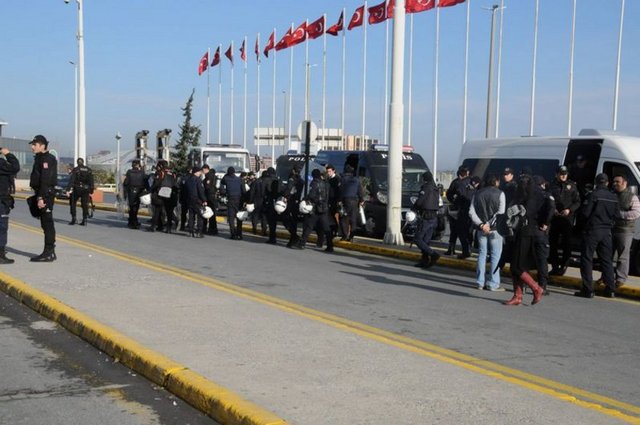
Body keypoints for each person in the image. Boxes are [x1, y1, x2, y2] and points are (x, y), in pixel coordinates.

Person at [502, 175, 545, 306]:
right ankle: (518, 295)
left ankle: (536, 288)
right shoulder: (524, 196)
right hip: (518, 233)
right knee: (514, 267)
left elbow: (525, 214)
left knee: (517, 267)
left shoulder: (531, 198)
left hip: (525, 233)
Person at [576, 173, 620, 299]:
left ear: (596, 182)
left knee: (587, 259)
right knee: (607, 260)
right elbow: (617, 215)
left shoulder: (593, 195)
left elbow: (585, 213)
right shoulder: (613, 196)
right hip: (607, 232)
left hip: (593, 230)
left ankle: (588, 289)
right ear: (607, 183)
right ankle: (610, 289)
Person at [469, 173, 505, 291]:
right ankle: (493, 283)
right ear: (496, 182)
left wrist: (481, 225)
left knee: (482, 254)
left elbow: (471, 212)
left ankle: (480, 282)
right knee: (495, 256)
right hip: (495, 229)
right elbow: (500, 212)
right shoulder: (500, 194)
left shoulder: (477, 194)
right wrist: (488, 225)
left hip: (480, 229)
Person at [607, 175, 640, 288]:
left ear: (624, 183)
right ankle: (606, 277)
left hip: (625, 231)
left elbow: (636, 213)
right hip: (611, 229)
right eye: (614, 181)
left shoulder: (632, 197)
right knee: (607, 255)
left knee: (623, 256)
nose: (615, 183)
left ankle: (620, 279)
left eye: (618, 182)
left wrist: (620, 214)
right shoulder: (611, 195)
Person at [29, 135, 58, 262]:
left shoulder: (47, 159)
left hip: (45, 194)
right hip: (41, 193)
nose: (32, 147)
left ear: (42, 145)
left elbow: (45, 179)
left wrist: (41, 197)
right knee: (44, 223)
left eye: (34, 144)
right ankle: (49, 251)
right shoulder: (40, 158)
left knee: (47, 223)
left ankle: (49, 252)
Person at [548, 165, 581, 276]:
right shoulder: (552, 185)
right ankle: (554, 266)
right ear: (557, 174)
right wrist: (553, 210)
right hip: (555, 219)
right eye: (561, 173)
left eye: (565, 174)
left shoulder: (572, 186)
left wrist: (569, 210)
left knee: (566, 244)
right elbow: (547, 200)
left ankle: (564, 265)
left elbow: (577, 202)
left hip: (567, 219)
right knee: (553, 243)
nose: (563, 176)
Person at [295, 169, 334, 253]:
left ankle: (302, 243)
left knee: (308, 226)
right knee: (326, 228)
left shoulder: (314, 183)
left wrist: (306, 198)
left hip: (315, 208)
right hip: (324, 208)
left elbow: (312, 195)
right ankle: (330, 246)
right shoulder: (326, 184)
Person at [532, 175, 555, 295]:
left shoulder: (528, 194)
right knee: (542, 259)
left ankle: (525, 284)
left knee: (526, 257)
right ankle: (542, 285)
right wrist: (546, 223)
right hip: (540, 230)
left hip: (529, 230)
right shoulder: (546, 195)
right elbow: (551, 209)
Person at [412, 171, 441, 269]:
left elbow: (419, 202)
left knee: (418, 239)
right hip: (434, 217)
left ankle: (433, 254)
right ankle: (424, 260)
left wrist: (413, 208)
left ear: (424, 179)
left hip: (426, 217)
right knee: (426, 240)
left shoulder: (426, 187)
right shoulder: (436, 188)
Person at [0, 147, 20, 264]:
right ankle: (1, 254)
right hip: (1, 199)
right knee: (2, 227)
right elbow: (15, 167)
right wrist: (8, 154)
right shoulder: (1, 164)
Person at [445, 166, 469, 256]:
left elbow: (449, 194)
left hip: (457, 211)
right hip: (467, 211)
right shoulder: (470, 182)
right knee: (465, 232)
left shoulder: (456, 183)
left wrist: (453, 200)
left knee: (454, 231)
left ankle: (451, 249)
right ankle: (466, 250)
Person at [148, 160, 178, 233]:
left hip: (161, 194)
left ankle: (153, 226)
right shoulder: (173, 173)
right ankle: (169, 228)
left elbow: (156, 183)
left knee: (157, 210)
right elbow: (175, 184)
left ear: (161, 166)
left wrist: (151, 189)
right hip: (170, 194)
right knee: (169, 212)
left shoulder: (161, 173)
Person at [339, 164, 364, 242]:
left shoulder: (343, 179)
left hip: (346, 200)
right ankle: (351, 236)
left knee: (344, 218)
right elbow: (360, 191)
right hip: (354, 201)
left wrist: (339, 201)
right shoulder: (356, 179)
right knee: (353, 219)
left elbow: (341, 190)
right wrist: (361, 200)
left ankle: (344, 235)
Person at [219, 166, 246, 240]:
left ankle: (233, 234)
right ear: (234, 172)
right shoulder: (240, 179)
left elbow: (221, 189)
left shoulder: (226, 178)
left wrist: (226, 192)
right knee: (239, 217)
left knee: (231, 218)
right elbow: (244, 191)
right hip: (239, 200)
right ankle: (239, 234)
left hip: (230, 199)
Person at [66, 158, 94, 226]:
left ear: (77, 162)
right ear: (83, 162)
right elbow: (91, 181)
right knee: (85, 205)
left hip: (77, 189)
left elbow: (72, 180)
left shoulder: (75, 170)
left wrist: (68, 190)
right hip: (85, 189)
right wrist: (91, 190)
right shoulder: (88, 170)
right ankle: (84, 220)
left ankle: (74, 219)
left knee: (73, 203)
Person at [283, 165, 305, 247]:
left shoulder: (292, 179)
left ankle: (294, 236)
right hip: (298, 202)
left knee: (286, 219)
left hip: (291, 201)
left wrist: (285, 196)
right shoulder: (302, 180)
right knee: (294, 221)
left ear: (293, 171)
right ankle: (293, 239)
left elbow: (288, 189)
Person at [122, 159, 146, 229]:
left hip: (131, 192)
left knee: (131, 207)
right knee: (136, 207)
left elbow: (126, 183)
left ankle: (131, 221)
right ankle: (134, 221)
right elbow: (145, 182)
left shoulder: (129, 172)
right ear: (138, 165)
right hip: (139, 192)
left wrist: (124, 192)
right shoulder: (142, 172)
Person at [185, 166, 207, 238]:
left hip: (190, 200)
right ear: (196, 172)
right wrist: (204, 200)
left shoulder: (188, 180)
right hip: (197, 200)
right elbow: (201, 191)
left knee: (191, 216)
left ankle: (190, 231)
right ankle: (199, 232)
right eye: (199, 172)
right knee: (200, 216)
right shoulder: (198, 180)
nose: (200, 173)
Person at [261, 167, 280, 244]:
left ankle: (272, 238)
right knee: (274, 221)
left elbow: (262, 192)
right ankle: (273, 236)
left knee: (270, 221)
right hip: (277, 203)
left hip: (269, 202)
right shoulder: (278, 179)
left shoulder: (266, 180)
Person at [201, 164, 219, 235]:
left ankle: (209, 229)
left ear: (206, 169)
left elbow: (207, 187)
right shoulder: (213, 176)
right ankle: (213, 229)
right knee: (212, 213)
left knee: (207, 213)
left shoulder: (208, 176)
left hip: (209, 197)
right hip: (212, 197)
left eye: (203, 170)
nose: (203, 172)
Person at [248, 169, 267, 236]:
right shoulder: (266, 182)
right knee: (263, 216)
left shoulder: (256, 182)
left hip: (256, 201)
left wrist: (250, 201)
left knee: (255, 216)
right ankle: (264, 230)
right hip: (264, 202)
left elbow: (251, 193)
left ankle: (254, 229)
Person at [325, 164, 342, 237]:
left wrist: (338, 200)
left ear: (333, 171)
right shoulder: (328, 179)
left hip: (334, 200)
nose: (328, 173)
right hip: (329, 200)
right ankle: (332, 230)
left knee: (334, 215)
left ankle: (335, 230)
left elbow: (338, 190)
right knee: (330, 216)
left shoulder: (337, 179)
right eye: (327, 171)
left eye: (330, 171)